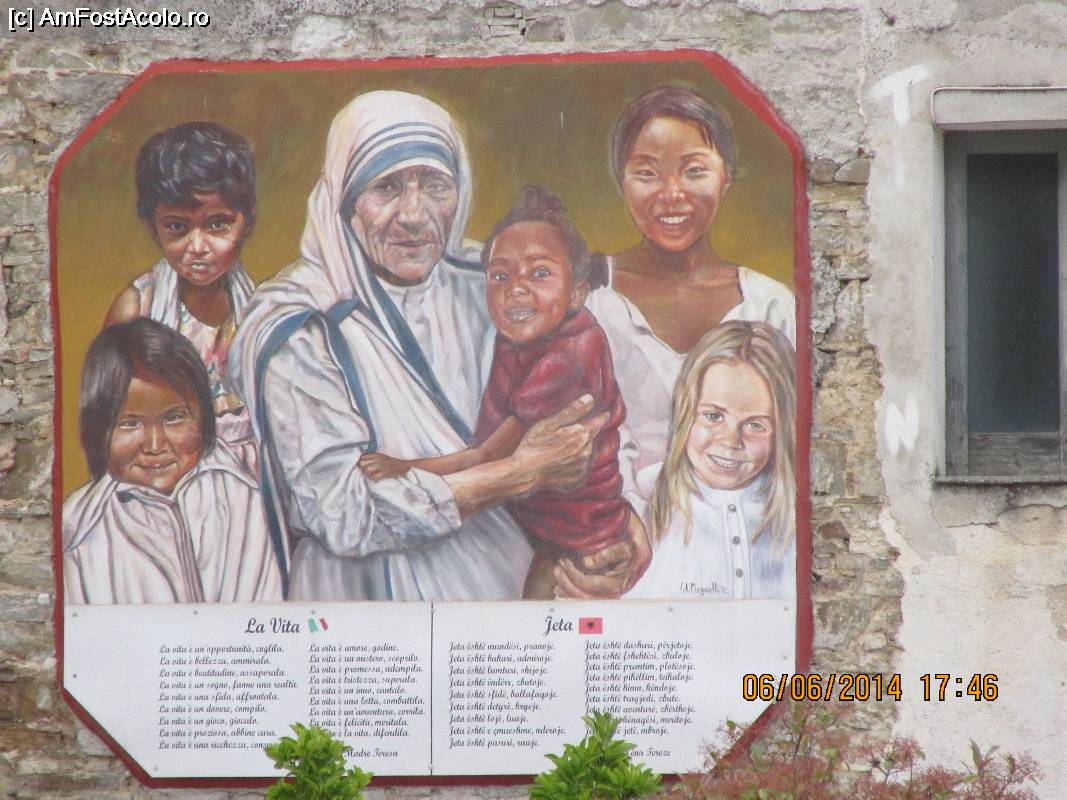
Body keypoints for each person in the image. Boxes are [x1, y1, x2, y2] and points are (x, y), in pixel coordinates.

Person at [230, 91, 649, 602]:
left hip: (509, 586)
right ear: (344, 198)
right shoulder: (302, 325)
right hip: (366, 601)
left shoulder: (496, 279)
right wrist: (515, 474)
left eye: (434, 186)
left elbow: (595, 413)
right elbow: (342, 512)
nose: (414, 214)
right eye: (386, 187)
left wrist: (623, 525)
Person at [359, 186, 641, 599]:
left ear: (578, 292)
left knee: (534, 621)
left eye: (539, 273)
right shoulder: (522, 336)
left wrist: (402, 468)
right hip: (534, 518)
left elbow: (487, 456)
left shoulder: (568, 358)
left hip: (577, 537)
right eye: (500, 276)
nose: (516, 289)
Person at [586, 86, 796, 496]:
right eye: (647, 174)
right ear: (621, 181)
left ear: (726, 177)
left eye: (694, 171)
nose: (671, 194)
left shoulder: (772, 307)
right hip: (618, 530)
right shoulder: (590, 300)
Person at [63, 319, 283, 605]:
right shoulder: (79, 531)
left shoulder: (244, 498)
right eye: (129, 423)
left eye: (174, 418)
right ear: (97, 427)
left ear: (203, 417)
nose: (155, 446)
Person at [105, 121, 258, 471]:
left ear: (247, 221)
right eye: (177, 227)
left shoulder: (265, 308)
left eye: (217, 224)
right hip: (168, 479)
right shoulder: (137, 311)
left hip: (258, 480)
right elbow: (111, 425)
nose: (198, 246)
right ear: (153, 228)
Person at [626, 321, 795, 600]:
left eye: (755, 425)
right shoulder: (644, 498)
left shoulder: (793, 512)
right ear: (686, 411)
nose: (730, 440)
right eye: (713, 416)